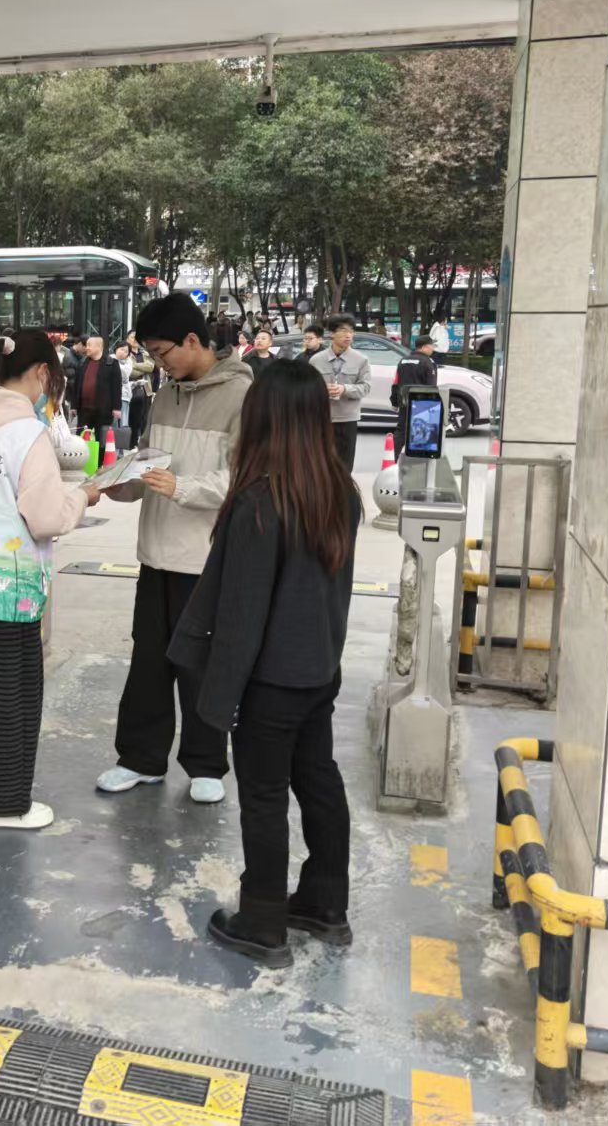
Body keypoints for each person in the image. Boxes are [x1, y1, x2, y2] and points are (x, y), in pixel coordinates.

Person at [168, 361, 360, 968]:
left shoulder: (260, 501)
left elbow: (241, 616)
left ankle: (262, 921)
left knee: (265, 796)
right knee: (319, 781)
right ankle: (326, 905)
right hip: (318, 670)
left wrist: (219, 699)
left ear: (264, 420)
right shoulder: (340, 490)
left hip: (270, 682)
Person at [0, 332, 101, 829]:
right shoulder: (26, 434)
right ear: (41, 373)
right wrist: (84, 496)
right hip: (7, 585)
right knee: (10, 689)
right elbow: (46, 517)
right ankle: (2, 803)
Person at [99, 293, 252, 804]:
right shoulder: (166, 396)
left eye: (162, 353)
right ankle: (140, 759)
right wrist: (122, 483)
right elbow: (150, 462)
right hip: (155, 552)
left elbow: (243, 477)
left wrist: (182, 488)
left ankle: (207, 764)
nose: (158, 363)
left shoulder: (242, 396)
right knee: (148, 660)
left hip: (204, 558)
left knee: (200, 665)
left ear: (192, 340)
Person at [307, 316, 370, 473]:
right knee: (320, 464)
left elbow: (366, 387)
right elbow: (307, 388)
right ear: (332, 334)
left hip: (347, 419)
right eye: (343, 331)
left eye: (351, 331)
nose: (348, 335)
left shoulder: (361, 360)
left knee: (344, 466)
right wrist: (320, 390)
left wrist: (344, 389)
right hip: (322, 418)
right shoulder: (316, 360)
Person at [74, 334, 124, 447]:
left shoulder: (111, 364)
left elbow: (116, 388)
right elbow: (77, 385)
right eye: (87, 345)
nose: (87, 348)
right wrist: (74, 405)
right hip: (84, 410)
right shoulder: (82, 363)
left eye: (89, 345)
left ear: (99, 347)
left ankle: (100, 458)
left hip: (103, 411)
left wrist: (117, 408)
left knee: (101, 440)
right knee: (81, 439)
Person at [391, 334, 439, 448]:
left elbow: (396, 383)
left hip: (404, 402)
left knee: (401, 431)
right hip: (421, 405)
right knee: (421, 433)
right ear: (424, 347)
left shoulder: (403, 360)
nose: (433, 348)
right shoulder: (428, 362)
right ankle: (416, 458)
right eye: (431, 346)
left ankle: (393, 456)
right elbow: (431, 387)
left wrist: (394, 402)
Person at [126, 332, 157, 440]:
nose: (135, 340)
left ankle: (143, 441)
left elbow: (151, 367)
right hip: (131, 390)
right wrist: (143, 368)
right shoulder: (125, 353)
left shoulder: (145, 353)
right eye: (132, 337)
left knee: (145, 418)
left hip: (146, 389)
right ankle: (132, 441)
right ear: (127, 339)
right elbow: (130, 372)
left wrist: (134, 365)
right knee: (133, 418)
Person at [114, 342, 134, 429]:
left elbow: (125, 377)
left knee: (123, 422)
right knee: (113, 422)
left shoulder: (129, 362)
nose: (123, 352)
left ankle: (122, 437)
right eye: (121, 349)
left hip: (124, 395)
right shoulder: (109, 358)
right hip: (111, 396)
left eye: (126, 351)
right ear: (116, 349)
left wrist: (115, 365)